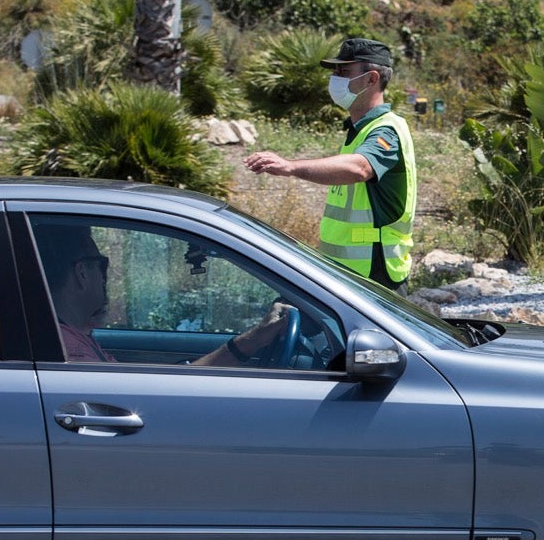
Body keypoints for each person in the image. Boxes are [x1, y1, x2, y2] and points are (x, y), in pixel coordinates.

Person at [243, 37, 417, 293]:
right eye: (335, 71)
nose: (335, 78)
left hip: (374, 270)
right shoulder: (359, 130)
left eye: (344, 71)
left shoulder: (386, 130)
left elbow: (359, 168)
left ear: (371, 79)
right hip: (346, 272)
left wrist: (291, 167)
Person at [35, 223, 287, 366]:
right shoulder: (73, 353)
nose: (106, 276)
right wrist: (253, 340)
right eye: (102, 264)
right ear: (81, 273)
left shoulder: (72, 336)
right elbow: (140, 402)